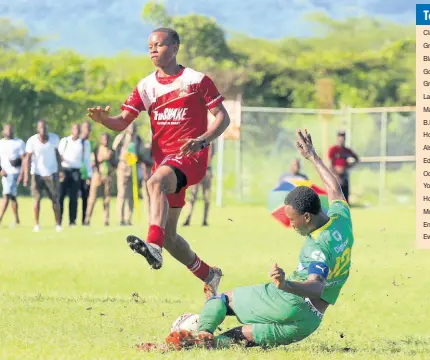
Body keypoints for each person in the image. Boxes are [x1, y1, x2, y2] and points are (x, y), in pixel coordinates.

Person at [144, 129, 354, 352]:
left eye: (292, 220)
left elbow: (316, 285)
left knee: (221, 301)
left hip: (290, 301)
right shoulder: (342, 219)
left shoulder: (318, 246)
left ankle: (203, 331)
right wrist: (313, 156)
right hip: (307, 323)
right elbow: (335, 189)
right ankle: (197, 345)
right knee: (235, 338)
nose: (291, 225)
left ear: (307, 216)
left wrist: (285, 285)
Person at [87, 27, 230, 295]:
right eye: (150, 46)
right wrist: (104, 120)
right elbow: (121, 122)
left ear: (175, 47)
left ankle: (153, 245)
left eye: (159, 45)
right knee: (172, 236)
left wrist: (203, 140)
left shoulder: (197, 80)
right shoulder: (145, 86)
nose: (153, 50)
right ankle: (209, 275)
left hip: (191, 157)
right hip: (165, 163)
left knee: (153, 184)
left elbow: (223, 117)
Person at [23, 120, 62, 232]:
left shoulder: (54, 139)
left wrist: (61, 170)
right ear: (37, 129)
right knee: (37, 199)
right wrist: (26, 176)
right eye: (41, 127)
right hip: (37, 173)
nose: (43, 130)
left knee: (55, 199)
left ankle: (58, 224)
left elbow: (58, 156)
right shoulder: (32, 141)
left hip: (52, 173)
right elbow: (27, 159)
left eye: (45, 127)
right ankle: (36, 224)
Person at [112, 122, 147, 226]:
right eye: (130, 127)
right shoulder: (121, 137)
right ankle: (121, 219)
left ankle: (128, 218)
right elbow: (114, 149)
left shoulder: (138, 139)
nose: (132, 129)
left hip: (134, 168)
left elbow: (142, 152)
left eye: (133, 127)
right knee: (122, 193)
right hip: (123, 166)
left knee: (131, 194)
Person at [58, 124, 93, 227]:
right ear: (71, 130)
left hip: (76, 171)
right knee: (61, 196)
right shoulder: (65, 141)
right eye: (74, 129)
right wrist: (60, 170)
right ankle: (58, 220)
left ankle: (72, 221)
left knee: (74, 197)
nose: (76, 131)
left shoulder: (84, 143)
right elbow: (59, 155)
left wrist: (89, 175)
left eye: (78, 130)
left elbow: (87, 160)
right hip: (64, 170)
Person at [183, 142, 215, 227]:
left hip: (206, 170)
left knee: (206, 196)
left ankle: (205, 220)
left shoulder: (210, 141)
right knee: (193, 196)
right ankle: (188, 218)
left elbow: (210, 154)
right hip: (198, 170)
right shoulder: (198, 140)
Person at [85, 133, 113, 226]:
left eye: (107, 139)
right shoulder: (96, 149)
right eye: (104, 139)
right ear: (101, 140)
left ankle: (106, 219)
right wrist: (105, 157)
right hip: (97, 175)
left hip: (107, 176)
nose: (106, 141)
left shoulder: (111, 150)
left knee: (107, 199)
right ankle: (87, 219)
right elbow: (94, 162)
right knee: (92, 198)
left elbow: (114, 163)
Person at [0, 124, 25, 226]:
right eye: (7, 130)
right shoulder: (1, 143)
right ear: (3, 131)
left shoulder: (19, 143)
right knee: (12, 196)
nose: (8, 132)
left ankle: (0, 217)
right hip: (5, 173)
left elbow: (24, 159)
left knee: (6, 195)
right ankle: (17, 220)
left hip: (14, 173)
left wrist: (22, 173)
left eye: (10, 130)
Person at [327, 130, 359, 204]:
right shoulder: (333, 149)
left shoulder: (346, 150)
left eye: (343, 138)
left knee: (345, 197)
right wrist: (336, 175)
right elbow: (330, 164)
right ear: (337, 138)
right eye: (340, 138)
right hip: (336, 176)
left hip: (344, 176)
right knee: (336, 196)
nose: (341, 140)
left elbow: (356, 158)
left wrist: (348, 166)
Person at [80, 120, 93, 225]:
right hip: (75, 171)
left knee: (85, 197)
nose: (87, 131)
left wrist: (89, 174)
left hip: (86, 174)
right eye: (86, 129)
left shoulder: (88, 143)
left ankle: (84, 220)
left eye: (89, 129)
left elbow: (88, 160)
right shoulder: (74, 141)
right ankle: (71, 220)